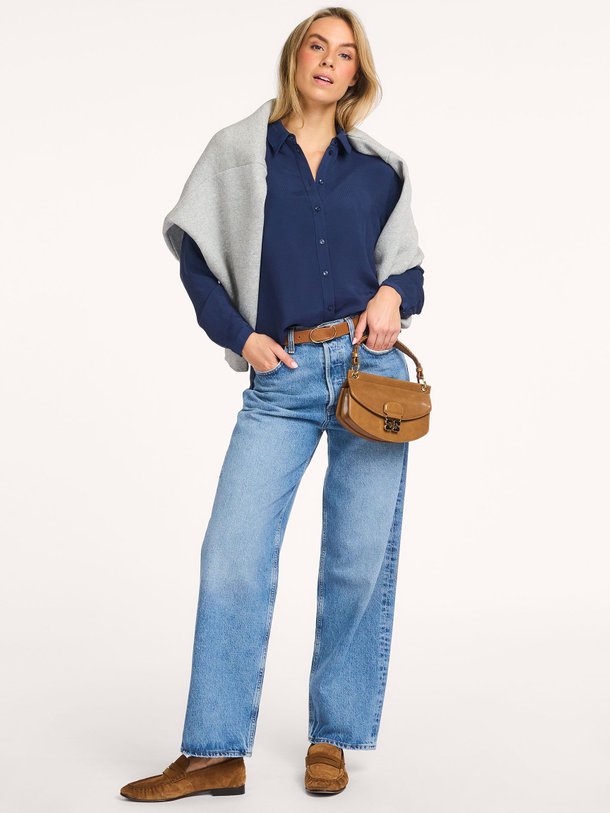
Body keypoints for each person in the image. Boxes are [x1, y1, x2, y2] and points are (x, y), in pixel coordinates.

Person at [120, 6, 425, 802]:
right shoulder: (238, 151)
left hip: (367, 374)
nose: (328, 61)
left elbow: (410, 270)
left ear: (356, 75)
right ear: (296, 57)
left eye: (345, 54)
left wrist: (392, 294)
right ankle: (215, 752)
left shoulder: (379, 169)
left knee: (358, 560)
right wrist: (241, 335)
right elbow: (194, 258)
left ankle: (333, 736)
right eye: (317, 46)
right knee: (232, 553)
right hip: (282, 378)